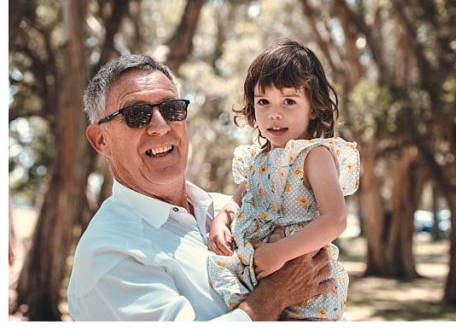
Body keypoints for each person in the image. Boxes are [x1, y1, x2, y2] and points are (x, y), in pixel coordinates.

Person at [69, 54, 333, 321]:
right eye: (136, 115)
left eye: (171, 109)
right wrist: (276, 294)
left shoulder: (232, 208)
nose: (160, 126)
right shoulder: (108, 254)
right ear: (101, 140)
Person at [206, 39, 359, 321]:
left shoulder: (314, 156)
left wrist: (279, 252)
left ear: (313, 107)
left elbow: (335, 219)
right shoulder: (257, 159)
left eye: (289, 101)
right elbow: (236, 201)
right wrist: (220, 222)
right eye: (263, 102)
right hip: (259, 276)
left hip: (306, 283)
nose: (274, 113)